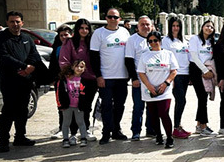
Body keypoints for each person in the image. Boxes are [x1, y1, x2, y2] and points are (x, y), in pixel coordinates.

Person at [0, 11, 47, 152]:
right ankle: (4, 141)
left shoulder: (27, 38)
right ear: (7, 23)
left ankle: (20, 137)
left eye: (18, 21)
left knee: (22, 110)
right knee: (8, 111)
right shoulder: (1, 38)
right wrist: (23, 66)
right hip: (9, 82)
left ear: (22, 23)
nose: (15, 24)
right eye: (12, 21)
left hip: (26, 81)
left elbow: (34, 54)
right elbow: (4, 57)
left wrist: (29, 68)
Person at [90, 8, 130, 144]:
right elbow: (94, 56)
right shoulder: (98, 33)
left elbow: (129, 55)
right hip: (106, 77)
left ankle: (116, 130)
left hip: (122, 77)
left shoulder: (125, 32)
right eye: (110, 17)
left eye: (115, 17)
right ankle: (106, 132)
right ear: (106, 18)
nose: (113, 19)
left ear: (120, 19)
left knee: (120, 105)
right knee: (106, 105)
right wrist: (98, 76)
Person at [137, 31, 178, 148]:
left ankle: (169, 137)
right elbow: (141, 72)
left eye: (155, 40)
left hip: (164, 89)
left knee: (164, 113)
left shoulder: (168, 54)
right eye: (150, 41)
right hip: (149, 89)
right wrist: (149, 86)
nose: (153, 43)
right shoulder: (145, 55)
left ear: (160, 41)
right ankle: (158, 135)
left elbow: (174, 70)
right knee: (153, 114)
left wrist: (166, 83)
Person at [59, 18, 97, 136]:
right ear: (77, 29)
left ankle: (85, 130)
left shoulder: (92, 42)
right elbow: (64, 60)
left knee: (86, 107)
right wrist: (71, 75)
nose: (84, 30)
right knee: (75, 106)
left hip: (90, 80)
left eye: (86, 28)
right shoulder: (69, 42)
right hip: (75, 80)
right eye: (81, 28)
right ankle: (73, 133)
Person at [125, 15, 154, 141]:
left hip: (153, 80)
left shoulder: (155, 39)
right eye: (142, 24)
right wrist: (134, 78)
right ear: (137, 27)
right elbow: (129, 60)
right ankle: (136, 131)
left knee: (152, 106)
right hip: (139, 80)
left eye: (147, 24)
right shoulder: (132, 40)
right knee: (138, 106)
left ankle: (151, 129)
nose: (145, 27)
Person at [162, 16, 192, 139]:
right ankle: (175, 127)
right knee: (181, 100)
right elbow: (165, 58)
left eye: (178, 26)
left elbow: (188, 58)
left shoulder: (183, 41)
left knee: (182, 101)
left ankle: (178, 125)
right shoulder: (166, 41)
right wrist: (170, 77)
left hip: (185, 74)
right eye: (173, 26)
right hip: (176, 74)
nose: (176, 28)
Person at [188, 20, 216, 135]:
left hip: (207, 70)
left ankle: (199, 125)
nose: (209, 28)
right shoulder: (195, 39)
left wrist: (209, 70)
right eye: (207, 26)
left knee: (203, 97)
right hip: (196, 70)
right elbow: (194, 56)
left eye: (211, 27)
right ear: (202, 27)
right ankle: (204, 126)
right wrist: (204, 70)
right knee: (202, 97)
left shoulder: (211, 41)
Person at [56, 60, 91, 147]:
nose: (79, 68)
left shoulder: (84, 80)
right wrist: (60, 105)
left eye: (82, 67)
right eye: (77, 66)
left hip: (79, 106)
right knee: (66, 123)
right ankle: (65, 139)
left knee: (81, 122)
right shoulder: (65, 79)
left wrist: (85, 105)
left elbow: (86, 95)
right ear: (72, 67)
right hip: (67, 105)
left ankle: (83, 138)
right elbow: (59, 93)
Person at [49, 24, 72, 140]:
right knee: (61, 104)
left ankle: (76, 129)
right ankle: (62, 128)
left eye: (66, 34)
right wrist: (53, 78)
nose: (64, 37)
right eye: (61, 35)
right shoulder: (57, 48)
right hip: (60, 80)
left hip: (74, 81)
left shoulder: (75, 46)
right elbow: (53, 64)